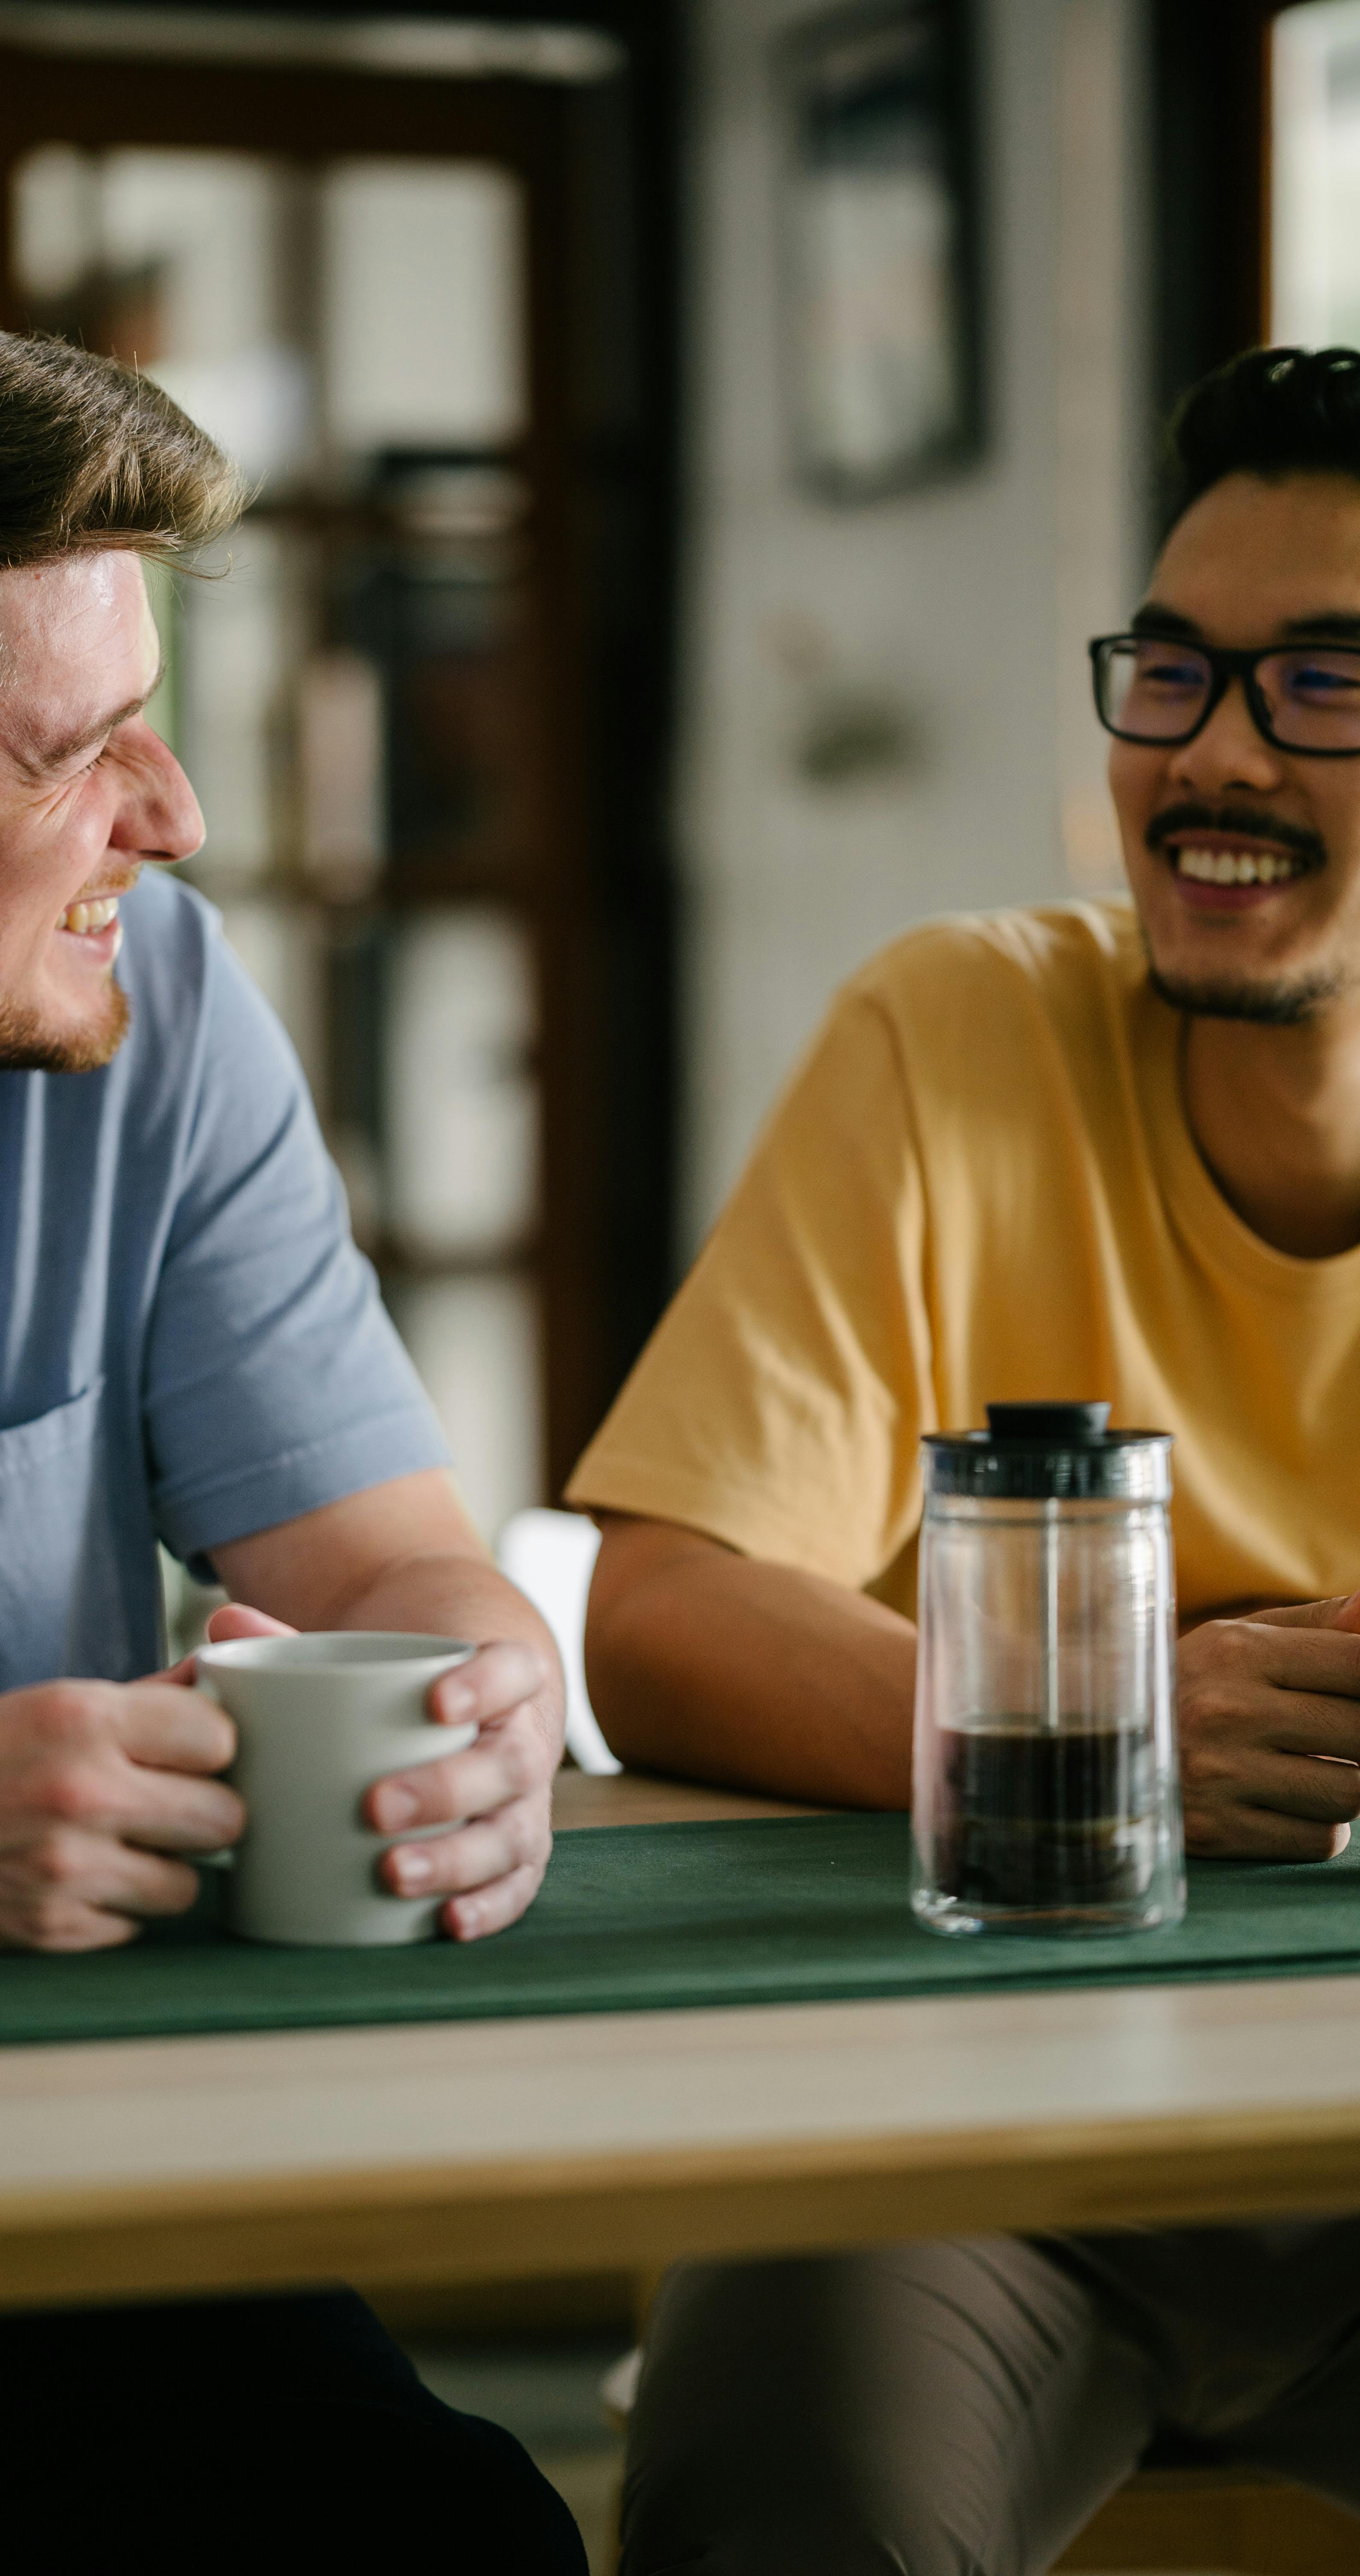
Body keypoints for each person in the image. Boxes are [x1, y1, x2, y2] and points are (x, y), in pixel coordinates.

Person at [0, 282, 582, 2572]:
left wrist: (478, 1706)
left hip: (16, 2155)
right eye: (90, 751)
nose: (172, 820)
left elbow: (385, 1567)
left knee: (445, 2546)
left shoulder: (143, 1010)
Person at [570, 343, 1360, 2574]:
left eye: (1323, 686)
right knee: (773, 2515)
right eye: (1175, 674)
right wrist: (1096, 1736)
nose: (1210, 752)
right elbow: (661, 1619)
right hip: (978, 2150)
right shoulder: (957, 1027)